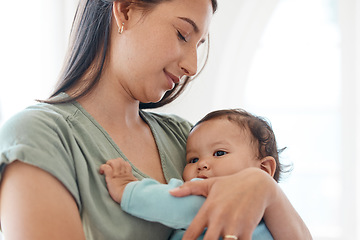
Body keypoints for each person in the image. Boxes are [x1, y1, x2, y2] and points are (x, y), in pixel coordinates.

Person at [0, 0, 312, 239]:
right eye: (182, 34)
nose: (191, 65)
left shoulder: (184, 138)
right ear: (125, 10)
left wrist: (267, 190)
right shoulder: (38, 137)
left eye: (198, 45)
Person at [99, 108, 286, 239]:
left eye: (219, 153)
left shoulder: (222, 200)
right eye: (193, 159)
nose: (202, 164)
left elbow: (173, 200)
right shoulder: (273, 219)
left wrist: (128, 189)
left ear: (264, 169)